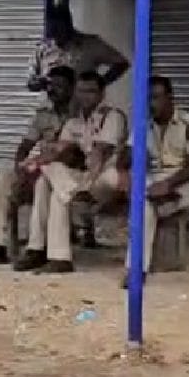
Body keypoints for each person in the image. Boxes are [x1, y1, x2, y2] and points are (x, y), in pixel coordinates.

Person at [13, 71, 127, 274]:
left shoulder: (112, 116)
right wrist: (34, 162)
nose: (85, 96)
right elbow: (59, 150)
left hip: (108, 177)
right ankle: (48, 253)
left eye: (91, 91)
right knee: (47, 178)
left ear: (101, 94)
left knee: (57, 185)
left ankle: (43, 249)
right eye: (81, 91)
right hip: (80, 180)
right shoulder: (74, 122)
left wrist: (89, 182)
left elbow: (101, 152)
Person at [0, 66, 76, 265]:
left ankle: (38, 248)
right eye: (50, 86)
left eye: (60, 86)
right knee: (1, 177)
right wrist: (19, 170)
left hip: (64, 171)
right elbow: (25, 146)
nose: (53, 90)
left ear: (72, 88)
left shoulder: (80, 114)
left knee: (46, 178)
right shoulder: (44, 114)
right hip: (39, 167)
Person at [114, 75, 189, 287]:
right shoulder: (144, 124)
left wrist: (168, 185)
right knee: (141, 197)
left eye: (155, 98)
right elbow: (124, 158)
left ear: (170, 98)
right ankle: (138, 265)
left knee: (144, 204)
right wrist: (125, 171)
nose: (150, 103)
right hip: (154, 179)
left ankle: (136, 269)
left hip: (184, 182)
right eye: (146, 98)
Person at [26, 5, 129, 93]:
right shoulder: (43, 49)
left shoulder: (90, 44)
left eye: (58, 29)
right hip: (50, 110)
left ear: (68, 24)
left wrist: (99, 84)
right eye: (52, 30)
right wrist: (39, 83)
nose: (55, 35)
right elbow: (30, 82)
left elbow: (121, 63)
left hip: (80, 110)